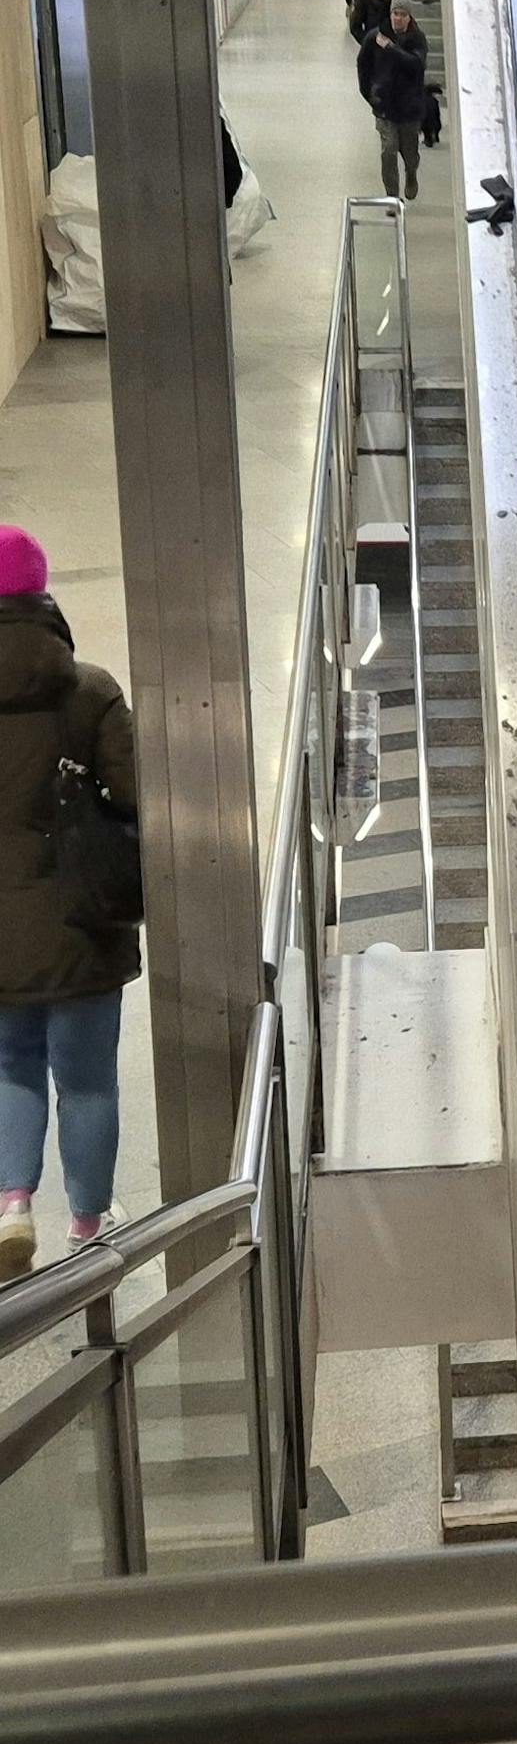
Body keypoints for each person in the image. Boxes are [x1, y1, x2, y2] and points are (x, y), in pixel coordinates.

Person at [0, 526, 138, 1281]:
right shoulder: (89, 689)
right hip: (81, 921)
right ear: (40, 595)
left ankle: (12, 1205)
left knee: (9, 1065)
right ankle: (88, 1224)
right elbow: (138, 794)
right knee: (86, 1080)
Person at [358, 0, 429, 202]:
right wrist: (369, 94)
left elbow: (416, 64)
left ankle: (411, 174)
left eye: (403, 15)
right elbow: (363, 66)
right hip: (384, 106)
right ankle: (391, 196)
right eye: (395, 14)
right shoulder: (375, 37)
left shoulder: (417, 39)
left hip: (409, 108)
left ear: (409, 17)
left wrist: (391, 48)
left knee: (410, 152)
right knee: (388, 150)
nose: (398, 18)